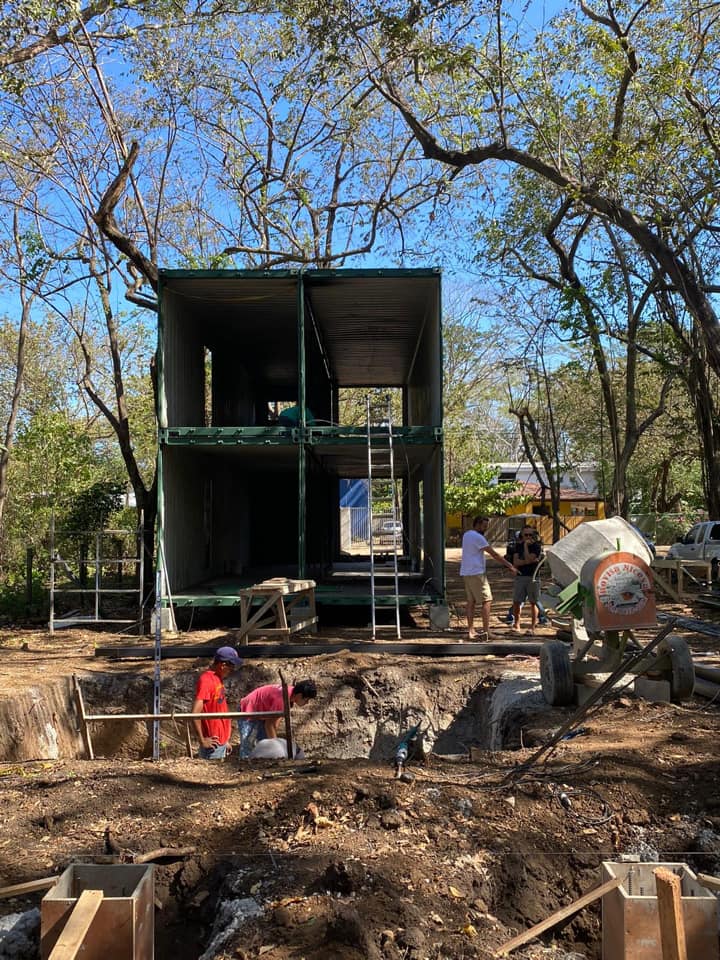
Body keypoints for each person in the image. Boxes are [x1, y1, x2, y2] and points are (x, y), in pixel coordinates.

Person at [459, 516, 517, 640]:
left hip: (466, 572)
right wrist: (510, 566)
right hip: (477, 572)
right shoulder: (478, 537)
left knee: (471, 601)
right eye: (484, 526)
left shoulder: (467, 534)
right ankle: (486, 631)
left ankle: (471, 630)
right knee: (487, 600)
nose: (486, 528)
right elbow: (494, 554)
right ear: (478, 524)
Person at [238, 679, 317, 758]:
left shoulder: (289, 695)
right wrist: (277, 747)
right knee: (248, 745)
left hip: (261, 714)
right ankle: (246, 766)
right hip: (249, 710)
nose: (307, 703)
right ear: (299, 695)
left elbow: (274, 722)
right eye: (307, 699)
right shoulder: (282, 699)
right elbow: (269, 725)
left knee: (265, 745)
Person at [191, 646, 243, 759]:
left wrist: (225, 740)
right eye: (231, 667)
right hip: (213, 744)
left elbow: (220, 708)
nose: (232, 670)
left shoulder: (217, 678)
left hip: (221, 742)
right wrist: (202, 740)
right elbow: (195, 713)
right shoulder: (206, 680)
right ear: (223, 665)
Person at [511, 526, 544, 633]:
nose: (528, 537)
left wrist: (526, 548)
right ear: (522, 535)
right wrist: (527, 561)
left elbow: (530, 558)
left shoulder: (536, 546)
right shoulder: (517, 546)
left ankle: (532, 627)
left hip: (533, 577)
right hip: (520, 576)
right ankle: (516, 624)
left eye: (531, 535)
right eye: (526, 535)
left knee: (533, 602)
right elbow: (516, 562)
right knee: (517, 601)